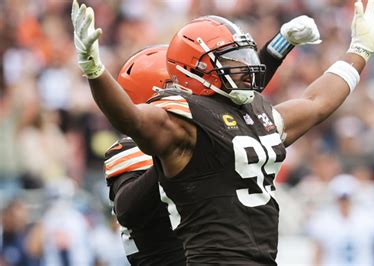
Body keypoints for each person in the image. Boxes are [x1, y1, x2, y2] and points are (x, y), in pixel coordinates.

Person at [71, 0, 374, 263]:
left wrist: (356, 49)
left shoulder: (218, 117)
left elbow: (296, 104)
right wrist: (96, 72)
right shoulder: (162, 133)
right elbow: (129, 207)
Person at [103, 18, 321, 266]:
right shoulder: (133, 146)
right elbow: (128, 210)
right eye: (181, 87)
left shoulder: (188, 127)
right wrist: (174, 161)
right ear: (153, 96)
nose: (196, 96)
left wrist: (280, 45)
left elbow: (234, 99)